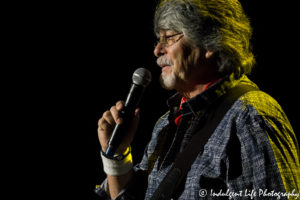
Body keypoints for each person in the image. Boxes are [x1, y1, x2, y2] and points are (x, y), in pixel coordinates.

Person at [95, 0, 300, 199]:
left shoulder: (251, 118)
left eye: (169, 37)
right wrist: (117, 155)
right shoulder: (164, 125)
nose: (157, 50)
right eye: (158, 39)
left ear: (210, 41)